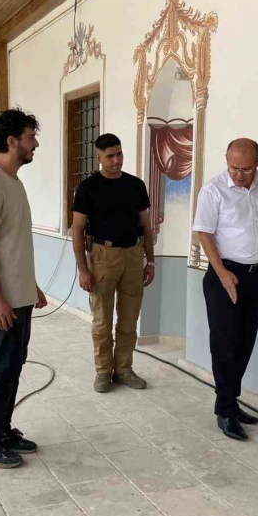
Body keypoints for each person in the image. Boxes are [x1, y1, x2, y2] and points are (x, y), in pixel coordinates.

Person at [193, 138, 258, 442]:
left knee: (245, 341)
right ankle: (225, 410)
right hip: (225, 274)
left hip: (255, 275)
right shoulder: (213, 190)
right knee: (226, 343)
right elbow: (203, 233)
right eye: (234, 168)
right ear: (226, 160)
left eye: (246, 169)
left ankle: (231, 402)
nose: (239, 174)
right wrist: (222, 273)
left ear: (257, 162)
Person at [0, 107, 47, 469]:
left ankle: (2, 431)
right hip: (3, 300)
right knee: (3, 367)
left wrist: (32, 287)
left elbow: (12, 244)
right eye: (31, 138)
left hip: (19, 296)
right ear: (13, 141)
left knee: (15, 364)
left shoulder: (13, 182)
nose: (35, 145)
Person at [71, 133, 155, 393]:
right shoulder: (87, 188)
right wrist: (83, 269)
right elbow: (77, 230)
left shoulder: (136, 185)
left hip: (133, 255)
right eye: (110, 156)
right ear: (99, 157)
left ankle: (124, 370)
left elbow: (146, 225)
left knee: (129, 320)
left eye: (119, 154)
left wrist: (150, 261)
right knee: (102, 321)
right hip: (102, 257)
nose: (116, 160)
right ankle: (103, 371)